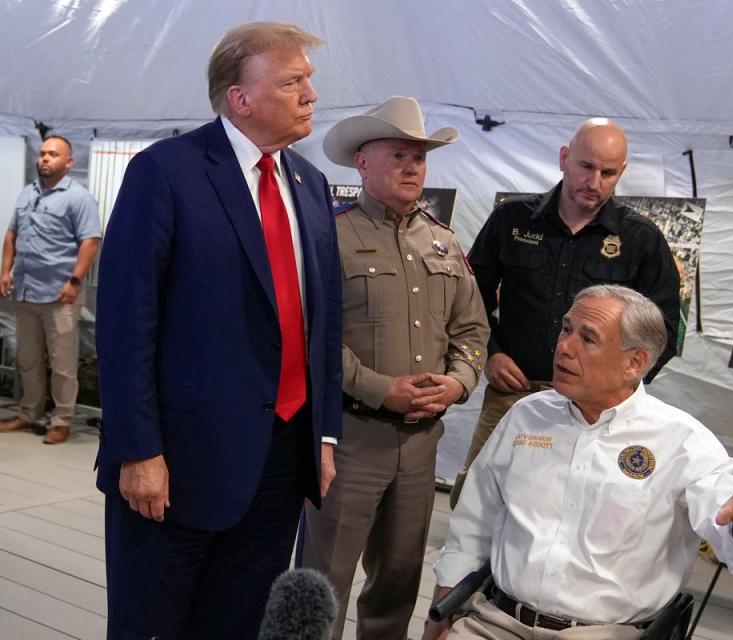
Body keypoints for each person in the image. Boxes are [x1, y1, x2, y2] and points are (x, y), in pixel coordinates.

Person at [94, 22, 342, 639]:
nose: (311, 95)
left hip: (280, 458)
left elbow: (324, 320)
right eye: (292, 82)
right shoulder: (167, 172)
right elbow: (126, 323)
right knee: (154, 623)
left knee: (239, 623)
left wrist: (325, 435)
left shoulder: (308, 185)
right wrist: (138, 449)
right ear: (241, 97)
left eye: (309, 81)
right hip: (177, 462)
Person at [424, 285, 733, 639]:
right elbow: (474, 522)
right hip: (494, 622)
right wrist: (442, 607)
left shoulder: (682, 442)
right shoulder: (528, 416)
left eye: (589, 338)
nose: (564, 346)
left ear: (635, 362)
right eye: (566, 329)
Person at [298, 95, 489, 639]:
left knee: (398, 582)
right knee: (322, 580)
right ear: (362, 161)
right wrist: (381, 389)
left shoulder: (443, 241)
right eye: (399, 154)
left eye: (420, 158)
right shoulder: (329, 236)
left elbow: (472, 330)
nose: (412, 167)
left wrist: (458, 381)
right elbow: (309, 338)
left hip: (421, 442)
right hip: (348, 437)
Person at [449, 118, 681, 507]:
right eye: (586, 166)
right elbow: (468, 299)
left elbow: (665, 333)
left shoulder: (640, 239)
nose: (595, 181)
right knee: (477, 502)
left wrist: (616, 391)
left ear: (621, 173)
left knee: (568, 512)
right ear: (564, 159)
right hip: (513, 395)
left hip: (593, 411)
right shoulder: (513, 220)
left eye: (608, 172)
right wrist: (489, 355)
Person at [0, 135, 100, 444]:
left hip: (60, 294)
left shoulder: (78, 197)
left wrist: (74, 282)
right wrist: (5, 271)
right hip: (25, 290)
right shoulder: (27, 193)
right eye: (42, 153)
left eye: (52, 154)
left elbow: (91, 241)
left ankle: (61, 419)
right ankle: (28, 413)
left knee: (62, 363)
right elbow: (12, 233)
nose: (44, 158)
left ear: (68, 162)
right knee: (27, 358)